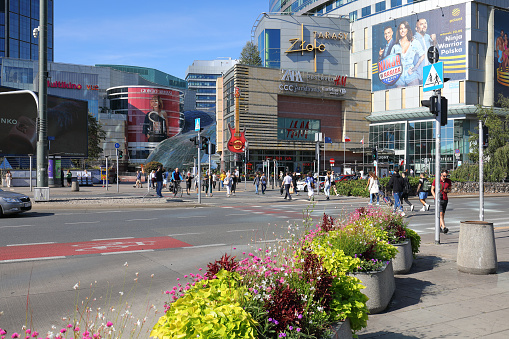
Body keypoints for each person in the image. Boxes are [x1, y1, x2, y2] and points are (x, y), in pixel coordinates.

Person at [390, 21, 425, 87]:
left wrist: (415, 67)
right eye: (401, 28)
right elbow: (391, 62)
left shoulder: (414, 42)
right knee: (399, 96)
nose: (402, 30)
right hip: (399, 76)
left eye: (404, 28)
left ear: (408, 30)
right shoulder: (395, 46)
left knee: (415, 94)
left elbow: (422, 55)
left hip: (411, 74)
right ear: (399, 31)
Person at [431, 169, 452, 234]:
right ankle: (444, 227)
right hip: (438, 199)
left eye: (446, 176)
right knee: (440, 213)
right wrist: (435, 197)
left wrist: (447, 191)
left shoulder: (448, 181)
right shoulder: (436, 180)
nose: (445, 177)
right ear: (441, 174)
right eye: (444, 176)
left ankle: (439, 227)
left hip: (445, 199)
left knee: (442, 214)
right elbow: (432, 189)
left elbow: (450, 189)